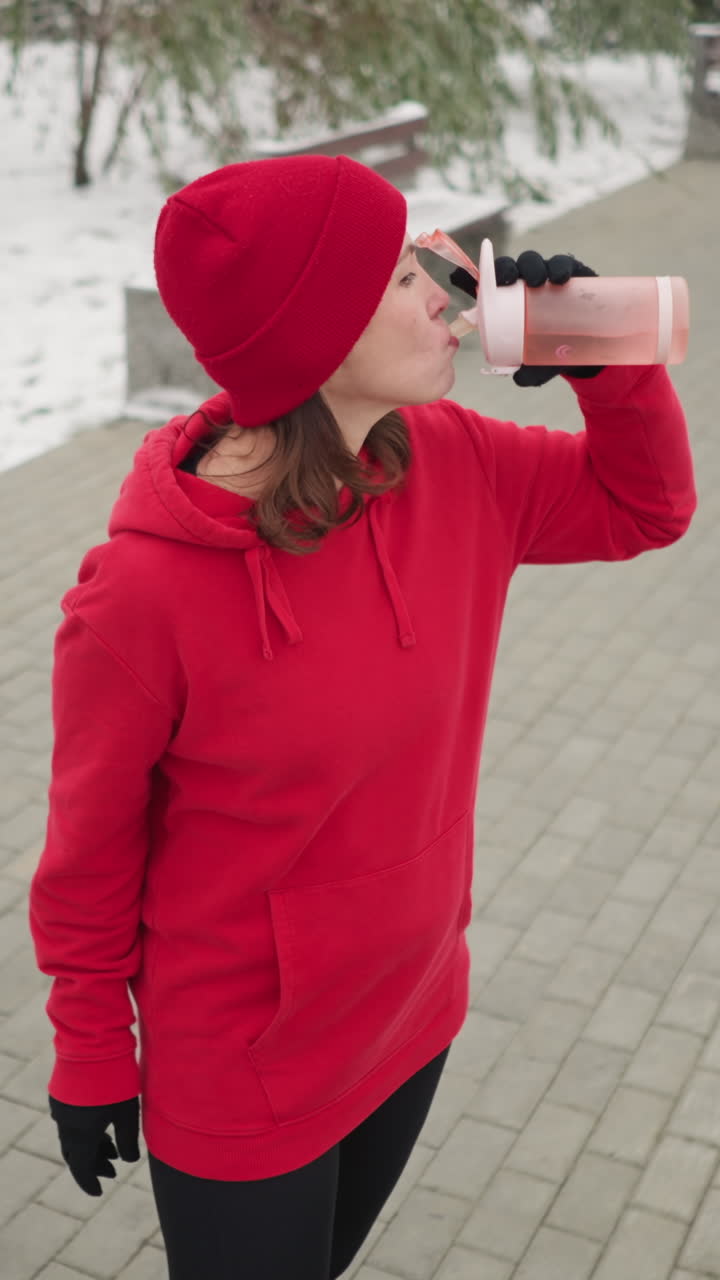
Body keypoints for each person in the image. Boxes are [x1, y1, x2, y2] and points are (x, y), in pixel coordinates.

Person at [29, 153, 696, 1280]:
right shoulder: (143, 594)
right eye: (400, 279)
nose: (445, 291)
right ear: (311, 334)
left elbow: (648, 505)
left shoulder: (450, 462)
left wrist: (598, 345)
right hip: (243, 1069)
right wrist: (91, 1047)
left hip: (410, 1012)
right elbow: (89, 851)